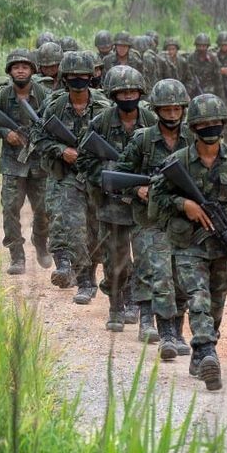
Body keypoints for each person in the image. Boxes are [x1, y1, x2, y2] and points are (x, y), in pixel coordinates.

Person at [151, 94, 227, 390]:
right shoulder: (177, 162)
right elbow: (156, 198)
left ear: (223, 125)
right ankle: (207, 351)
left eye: (215, 123)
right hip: (188, 244)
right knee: (197, 297)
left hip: (221, 245)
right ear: (193, 128)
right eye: (203, 124)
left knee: (217, 299)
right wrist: (185, 205)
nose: (210, 129)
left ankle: (201, 348)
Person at [117, 78, 194, 360]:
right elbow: (118, 176)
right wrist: (136, 189)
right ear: (157, 110)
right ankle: (166, 334)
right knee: (157, 272)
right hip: (149, 219)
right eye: (167, 110)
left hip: (184, 221)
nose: (172, 115)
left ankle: (178, 328)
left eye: (177, 110)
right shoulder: (143, 139)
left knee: (182, 278)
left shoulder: (193, 139)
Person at [79, 66, 156, 333]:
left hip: (146, 204)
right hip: (112, 205)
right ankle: (115, 305)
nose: (128, 96)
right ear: (113, 95)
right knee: (115, 263)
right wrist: (110, 177)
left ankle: (143, 311)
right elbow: (85, 160)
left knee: (147, 259)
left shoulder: (152, 120)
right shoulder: (100, 122)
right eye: (122, 92)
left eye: (133, 91)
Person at [30, 52, 111, 296]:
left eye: (83, 76)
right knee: (68, 222)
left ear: (91, 77)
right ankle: (81, 279)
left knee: (95, 229)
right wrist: (61, 149)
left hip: (94, 175)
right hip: (63, 174)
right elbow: (37, 136)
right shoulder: (54, 105)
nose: (78, 80)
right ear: (65, 78)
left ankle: (89, 274)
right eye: (73, 76)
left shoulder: (103, 106)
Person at [0, 49, 52, 274]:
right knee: (10, 208)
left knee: (43, 210)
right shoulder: (3, 96)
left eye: (24, 66)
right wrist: (6, 133)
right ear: (10, 71)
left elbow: (54, 123)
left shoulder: (44, 94)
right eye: (16, 67)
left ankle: (41, 243)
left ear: (32, 70)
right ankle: (17, 256)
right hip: (13, 163)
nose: (20, 70)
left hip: (39, 164)